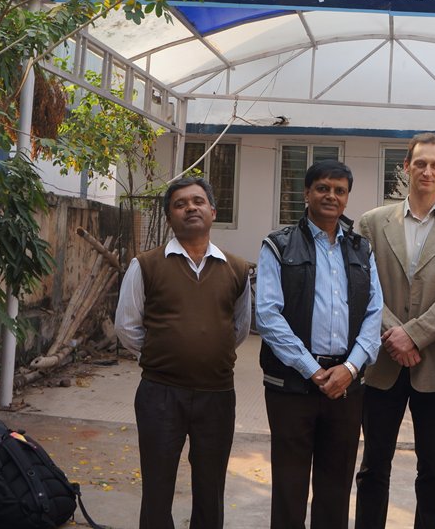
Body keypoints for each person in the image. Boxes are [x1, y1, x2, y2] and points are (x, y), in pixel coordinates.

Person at [354, 133, 435, 529]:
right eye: (420, 163)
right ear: (406, 166)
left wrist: (413, 336)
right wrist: (396, 336)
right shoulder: (372, 223)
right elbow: (364, 287)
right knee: (374, 465)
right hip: (382, 363)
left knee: (433, 469)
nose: (427, 171)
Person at [114, 177, 251, 529]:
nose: (190, 207)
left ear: (213, 211)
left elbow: (239, 328)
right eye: (180, 204)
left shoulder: (236, 269)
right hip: (160, 394)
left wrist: (207, 351)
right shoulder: (146, 265)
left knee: (211, 487)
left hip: (217, 394)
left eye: (198, 201)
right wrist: (164, 354)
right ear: (169, 217)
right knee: (157, 487)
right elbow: (127, 327)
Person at [256, 159, 383, 529]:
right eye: (323, 188)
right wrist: (312, 369)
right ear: (306, 193)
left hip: (346, 387)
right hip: (291, 385)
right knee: (289, 485)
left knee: (336, 486)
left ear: (347, 198)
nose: (331, 196)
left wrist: (350, 368)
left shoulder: (362, 249)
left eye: (339, 190)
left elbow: (374, 312)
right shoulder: (277, 245)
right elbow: (267, 315)